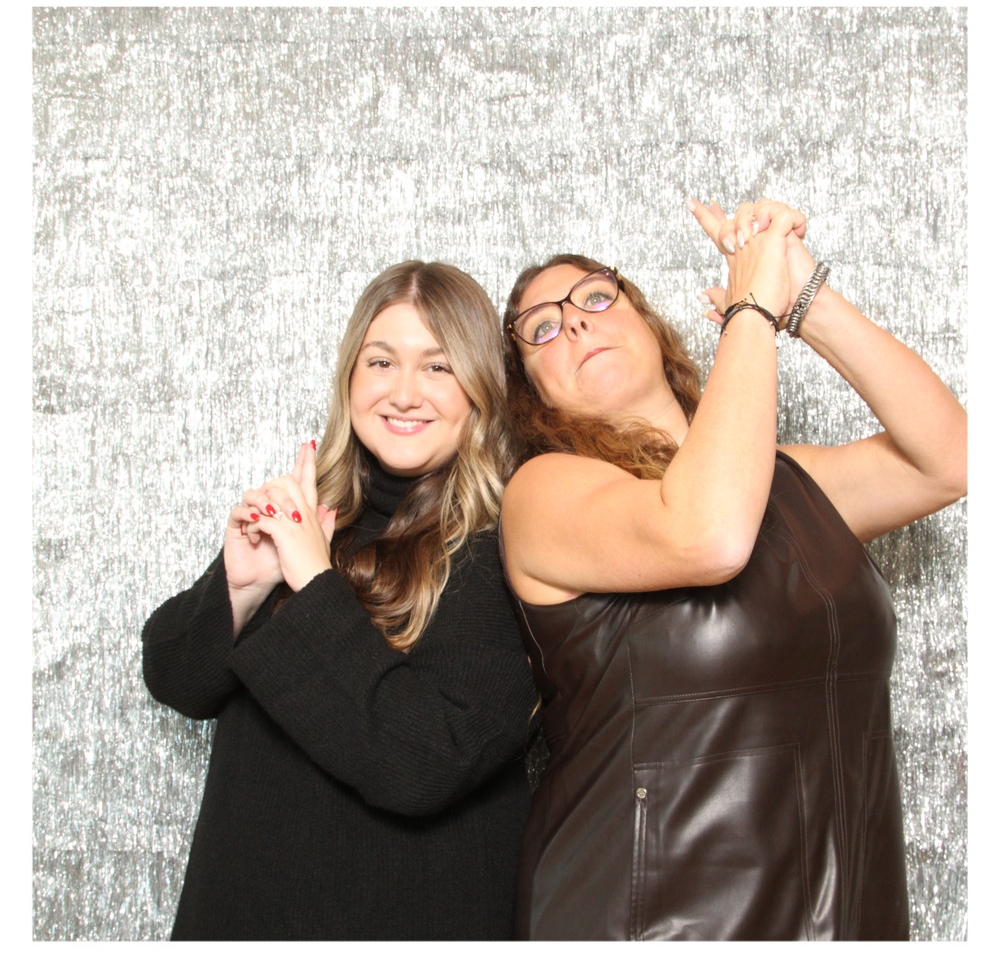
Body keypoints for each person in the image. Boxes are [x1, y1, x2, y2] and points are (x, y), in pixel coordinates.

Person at [500, 199, 967, 941]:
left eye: (594, 296)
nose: (577, 323)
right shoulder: (544, 495)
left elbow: (950, 460)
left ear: (651, 325)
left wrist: (801, 293)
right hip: (652, 941)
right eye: (543, 329)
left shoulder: (789, 484)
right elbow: (709, 536)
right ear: (532, 394)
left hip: (848, 927)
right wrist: (752, 311)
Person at [143, 261, 536, 940]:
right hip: (243, 926)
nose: (404, 393)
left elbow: (425, 763)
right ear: (350, 376)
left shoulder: (510, 545)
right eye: (381, 361)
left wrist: (314, 584)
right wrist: (241, 587)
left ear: (479, 388)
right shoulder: (314, 517)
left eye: (438, 367)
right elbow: (176, 679)